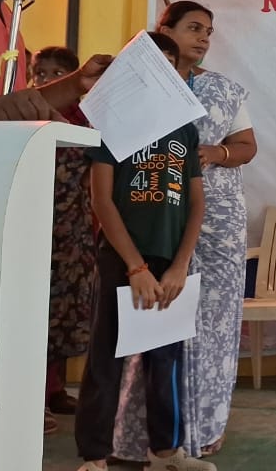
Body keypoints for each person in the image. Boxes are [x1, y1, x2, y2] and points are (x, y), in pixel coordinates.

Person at [109, 0, 257, 460]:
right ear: (164, 28)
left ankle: (205, 429)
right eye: (194, 28)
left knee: (211, 325)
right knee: (151, 327)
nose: (203, 38)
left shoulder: (225, 90)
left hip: (218, 220)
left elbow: (247, 146)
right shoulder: (135, 85)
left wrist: (216, 154)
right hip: (155, 217)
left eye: (209, 32)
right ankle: (144, 442)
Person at [74, 32, 213, 471]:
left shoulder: (185, 130)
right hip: (122, 258)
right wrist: (134, 266)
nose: (167, 72)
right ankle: (94, 457)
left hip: (170, 261)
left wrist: (179, 266)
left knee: (164, 358)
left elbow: (195, 203)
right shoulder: (110, 124)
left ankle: (165, 452)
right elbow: (102, 200)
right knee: (106, 358)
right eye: (157, 63)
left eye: (172, 64)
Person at [33, 47, 97, 435]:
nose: (45, 80)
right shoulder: (22, 113)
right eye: (41, 72)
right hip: (33, 225)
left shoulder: (88, 120)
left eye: (57, 73)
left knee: (63, 311)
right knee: (34, 312)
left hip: (72, 230)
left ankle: (54, 390)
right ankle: (31, 398)